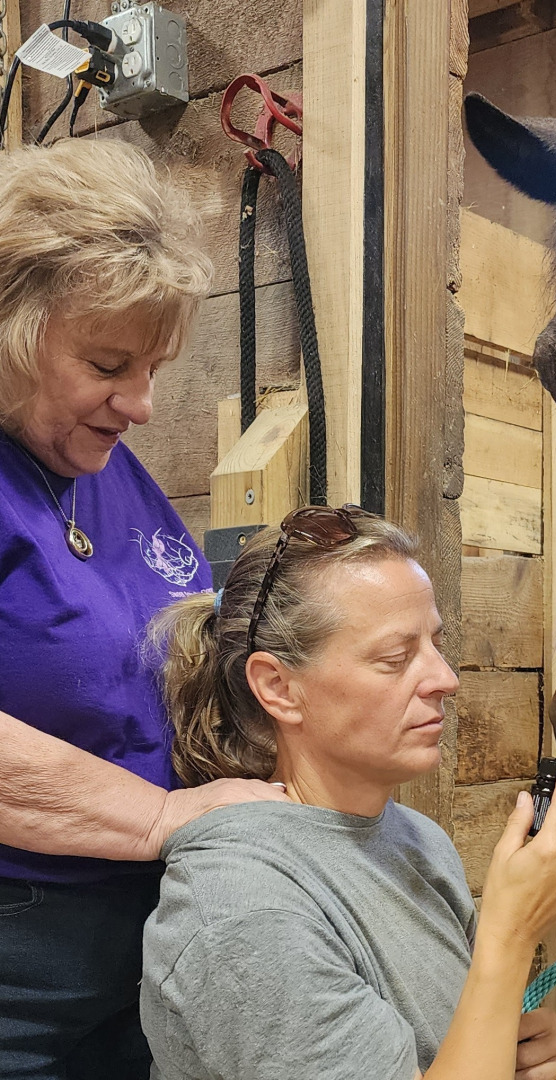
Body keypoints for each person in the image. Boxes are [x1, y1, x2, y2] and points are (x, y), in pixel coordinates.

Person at [0, 139, 288, 1080]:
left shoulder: (107, 468)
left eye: (155, 367)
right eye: (108, 363)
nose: (143, 405)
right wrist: (161, 816)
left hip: (149, 927)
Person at [141, 506, 556, 1080]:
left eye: (436, 645)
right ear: (278, 687)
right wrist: (511, 934)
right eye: (395, 658)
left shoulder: (419, 840)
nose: (446, 679)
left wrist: (518, 1057)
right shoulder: (242, 912)